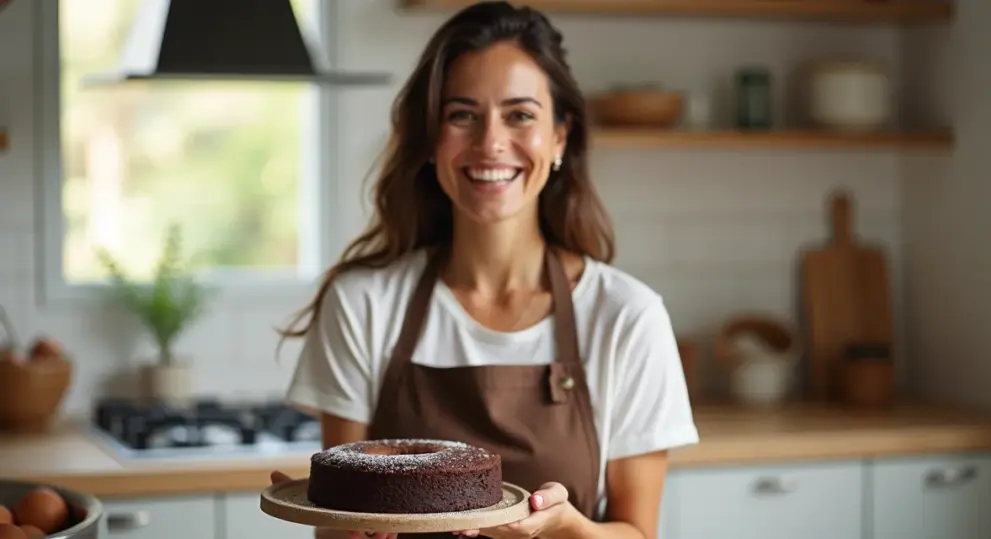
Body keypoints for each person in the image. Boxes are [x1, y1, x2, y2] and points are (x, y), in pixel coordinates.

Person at [271, 2, 699, 538]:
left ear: (560, 136)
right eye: (462, 115)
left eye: (520, 115)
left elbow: (639, 533)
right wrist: (347, 524)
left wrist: (564, 527)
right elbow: (338, 533)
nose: (491, 143)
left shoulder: (626, 317)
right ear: (430, 139)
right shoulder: (363, 304)